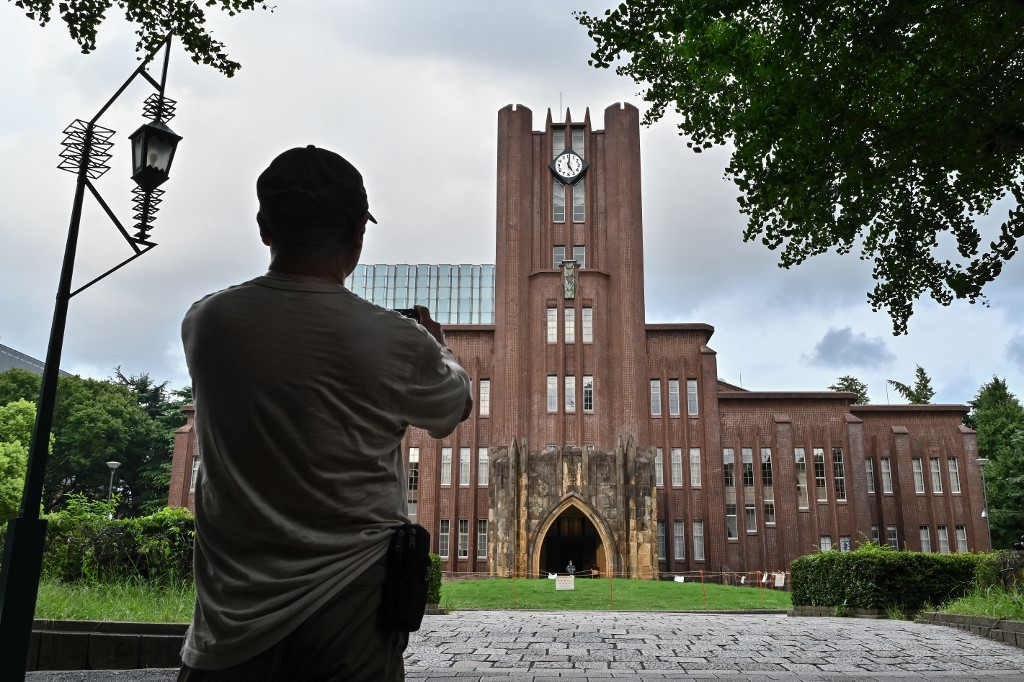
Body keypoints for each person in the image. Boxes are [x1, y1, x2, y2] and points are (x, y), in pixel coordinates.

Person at [178, 145, 473, 681]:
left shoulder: (208, 322)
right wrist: (440, 347)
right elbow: (453, 409)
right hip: (351, 617)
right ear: (358, 232)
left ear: (265, 226)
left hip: (229, 626)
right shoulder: (395, 340)